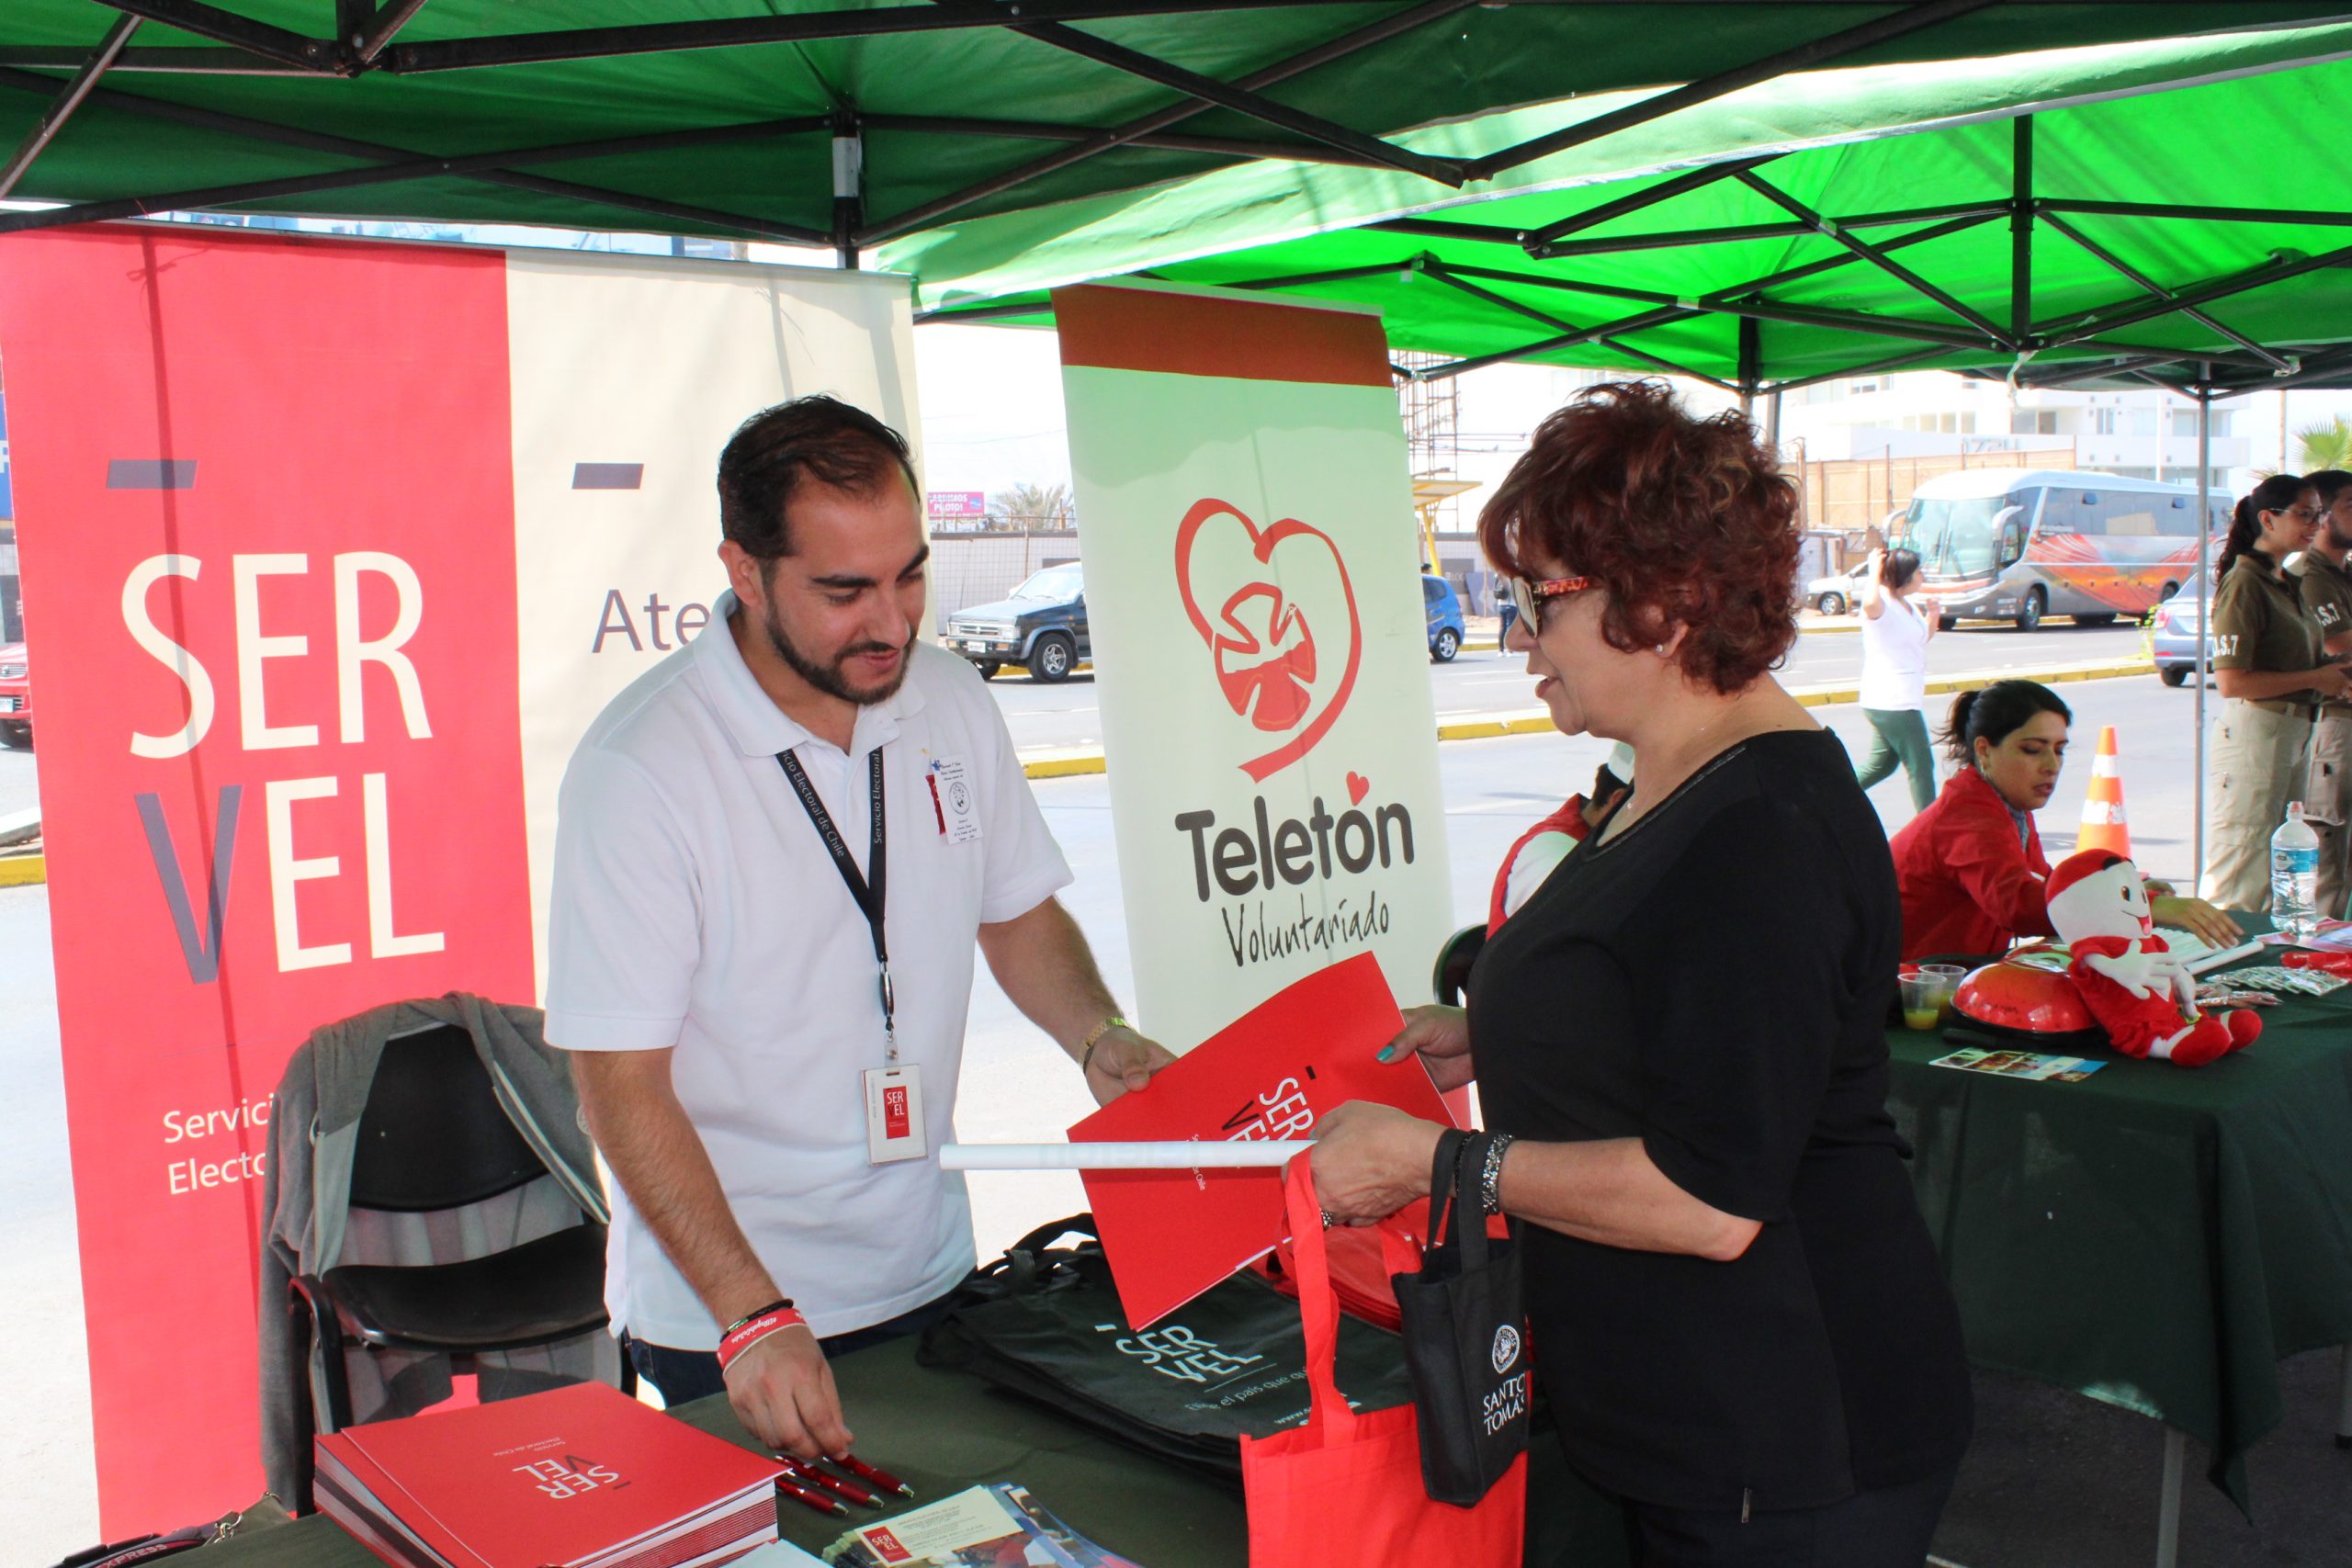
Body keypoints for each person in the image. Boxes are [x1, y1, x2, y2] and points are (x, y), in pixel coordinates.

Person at [1309, 380, 1973, 1565]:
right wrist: (1493, 1035)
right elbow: (1664, 1006)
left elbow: (1708, 1199)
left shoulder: (1756, 828)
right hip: (1697, 1414)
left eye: (1536, 602)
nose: (1517, 637)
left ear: (1662, 607)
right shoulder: (1670, 780)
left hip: (1787, 1441)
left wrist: (1435, 1162)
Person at [544, 395, 1175, 1461]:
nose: (891, 622)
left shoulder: (948, 699)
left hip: (929, 1270)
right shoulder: (640, 770)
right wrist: (753, 1314)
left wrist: (1097, 1035)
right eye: (845, 591)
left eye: (909, 576)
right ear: (745, 574)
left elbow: (1014, 911)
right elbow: (620, 1085)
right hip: (733, 1320)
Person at [1890, 682, 2241, 959]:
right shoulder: (1968, 814)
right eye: (2032, 750)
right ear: (1984, 750)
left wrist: (2127, 893)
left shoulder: (2005, 802)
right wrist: (2147, 907)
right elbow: (2020, 906)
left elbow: (2043, 880)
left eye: (2059, 749)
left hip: (1951, 975)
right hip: (1914, 990)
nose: (2051, 765)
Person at [2199, 473, 2352, 911]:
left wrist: (2329, 674)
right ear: (2268, 518)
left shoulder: (2286, 580)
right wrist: (2315, 679)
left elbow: (2303, 662)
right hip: (2258, 730)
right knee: (2243, 864)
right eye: (2305, 515)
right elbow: (2232, 681)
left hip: (2295, 731)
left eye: (2318, 515)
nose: (2314, 524)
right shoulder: (2245, 581)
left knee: (2280, 866)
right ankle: (2222, 973)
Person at [2291, 469, 2352, 918]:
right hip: (2334, 727)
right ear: (2324, 516)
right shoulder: (2310, 575)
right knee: (2328, 856)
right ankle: (2317, 961)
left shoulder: (2343, 574)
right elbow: (2339, 644)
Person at [1852, 546, 1939, 813]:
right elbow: (1868, 604)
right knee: (1921, 765)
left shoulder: (1906, 605)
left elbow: (1920, 638)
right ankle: (1931, 827)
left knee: (1881, 765)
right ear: (1905, 576)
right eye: (1918, 571)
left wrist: (1933, 616)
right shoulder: (1882, 605)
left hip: (1896, 698)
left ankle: (1827, 795)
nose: (1922, 576)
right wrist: (1874, 571)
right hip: (1893, 700)